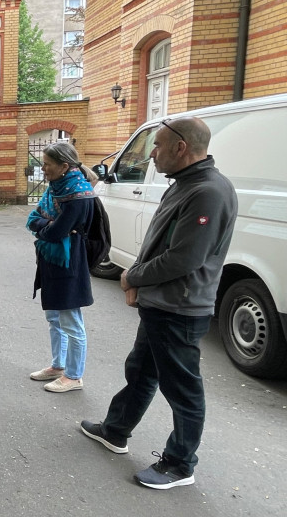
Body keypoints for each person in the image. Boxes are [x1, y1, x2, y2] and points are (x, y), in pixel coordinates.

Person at [80, 116, 237, 489]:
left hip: (180, 309)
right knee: (141, 370)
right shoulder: (185, 184)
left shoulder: (208, 192)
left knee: (182, 388)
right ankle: (116, 430)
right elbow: (160, 243)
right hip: (162, 304)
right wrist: (139, 281)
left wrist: (132, 276)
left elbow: (185, 258)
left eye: (159, 145)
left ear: (181, 147)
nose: (152, 154)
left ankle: (180, 464)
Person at [26, 142, 98, 393]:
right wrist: (46, 225)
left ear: (64, 166)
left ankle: (75, 375)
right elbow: (32, 218)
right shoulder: (57, 188)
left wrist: (44, 226)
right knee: (54, 316)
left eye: (47, 164)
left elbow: (55, 232)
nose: (43, 168)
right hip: (53, 260)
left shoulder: (78, 195)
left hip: (69, 261)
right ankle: (58, 366)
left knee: (71, 320)